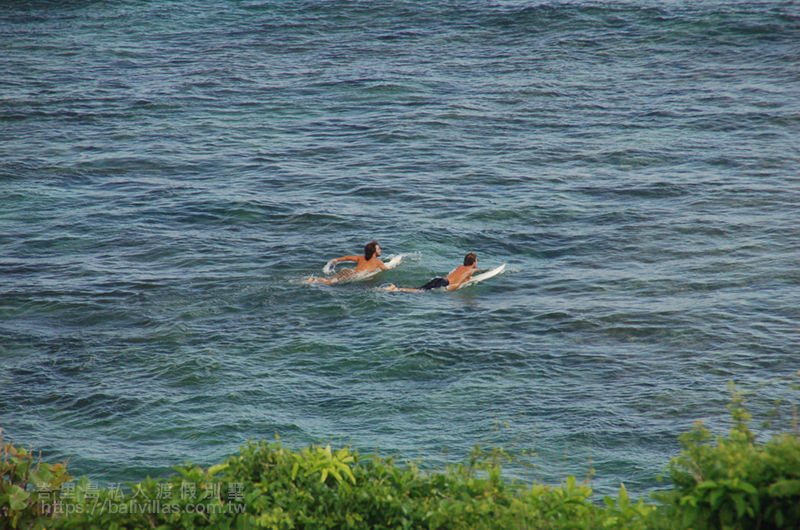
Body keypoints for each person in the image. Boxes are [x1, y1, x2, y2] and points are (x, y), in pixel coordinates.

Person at [385, 253, 480, 292]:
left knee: (420, 288)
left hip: (440, 279)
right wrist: (449, 289)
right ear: (474, 262)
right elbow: (458, 282)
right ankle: (396, 289)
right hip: (445, 283)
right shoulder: (470, 270)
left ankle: (397, 288)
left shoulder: (461, 267)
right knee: (420, 291)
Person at [309, 241, 389, 284]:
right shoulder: (378, 261)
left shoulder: (361, 257)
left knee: (329, 280)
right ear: (374, 252)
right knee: (329, 283)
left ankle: (313, 280)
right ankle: (314, 281)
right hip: (353, 275)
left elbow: (348, 257)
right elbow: (385, 269)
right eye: (378, 249)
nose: (380, 250)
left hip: (348, 270)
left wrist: (337, 260)